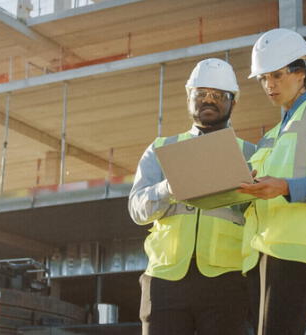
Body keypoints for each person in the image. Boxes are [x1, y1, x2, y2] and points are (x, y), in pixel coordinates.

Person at [129, 58, 256, 335]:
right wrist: (168, 189)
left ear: (233, 102)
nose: (208, 101)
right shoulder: (161, 149)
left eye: (218, 95)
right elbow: (137, 210)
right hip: (165, 280)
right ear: (188, 98)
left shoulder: (250, 154)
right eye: (200, 94)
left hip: (226, 279)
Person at [237, 28, 306, 335]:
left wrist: (285, 187)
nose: (269, 86)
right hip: (262, 251)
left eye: (276, 75)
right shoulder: (270, 136)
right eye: (263, 78)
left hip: (297, 250)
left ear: (300, 71)